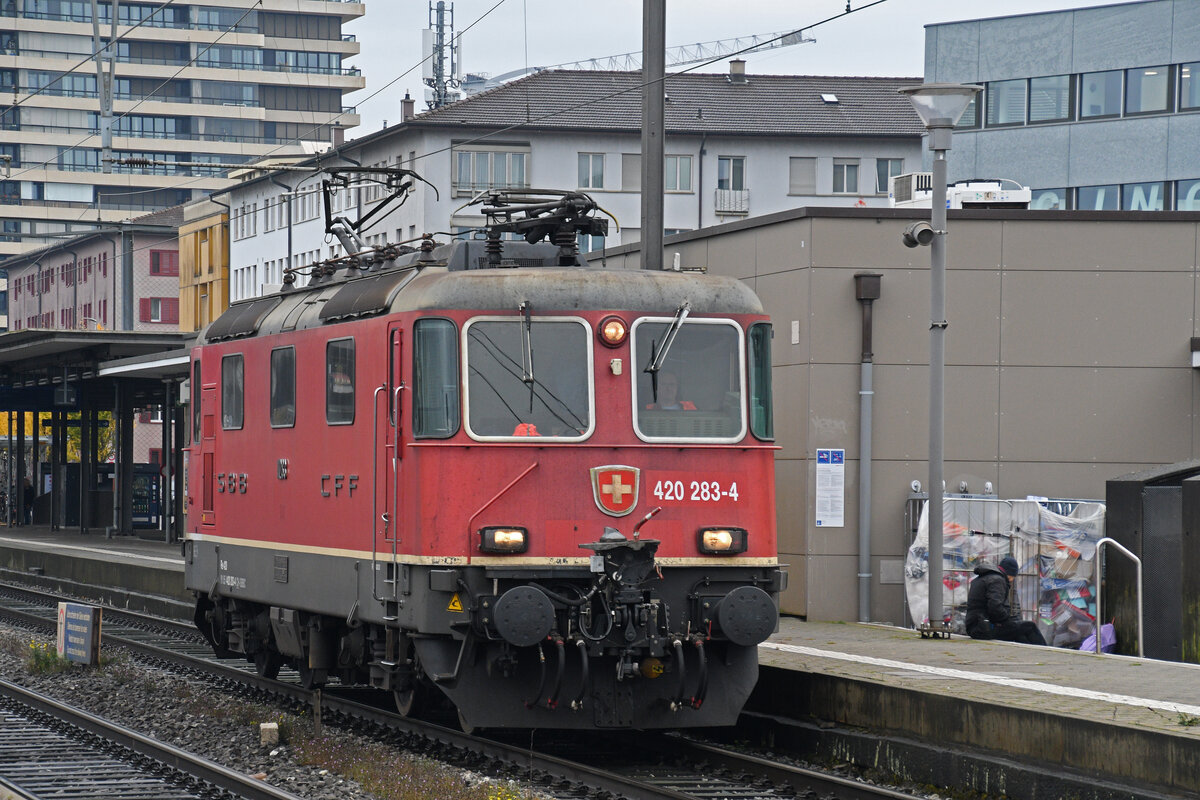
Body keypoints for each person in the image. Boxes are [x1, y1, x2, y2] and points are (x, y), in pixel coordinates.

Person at [965, 555, 1046, 645]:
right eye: (1013, 577)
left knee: (1020, 634)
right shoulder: (997, 580)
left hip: (976, 626)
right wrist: (1008, 619)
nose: (1012, 580)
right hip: (984, 628)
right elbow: (995, 607)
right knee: (1030, 627)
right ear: (1010, 574)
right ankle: (1047, 653)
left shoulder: (983, 578)